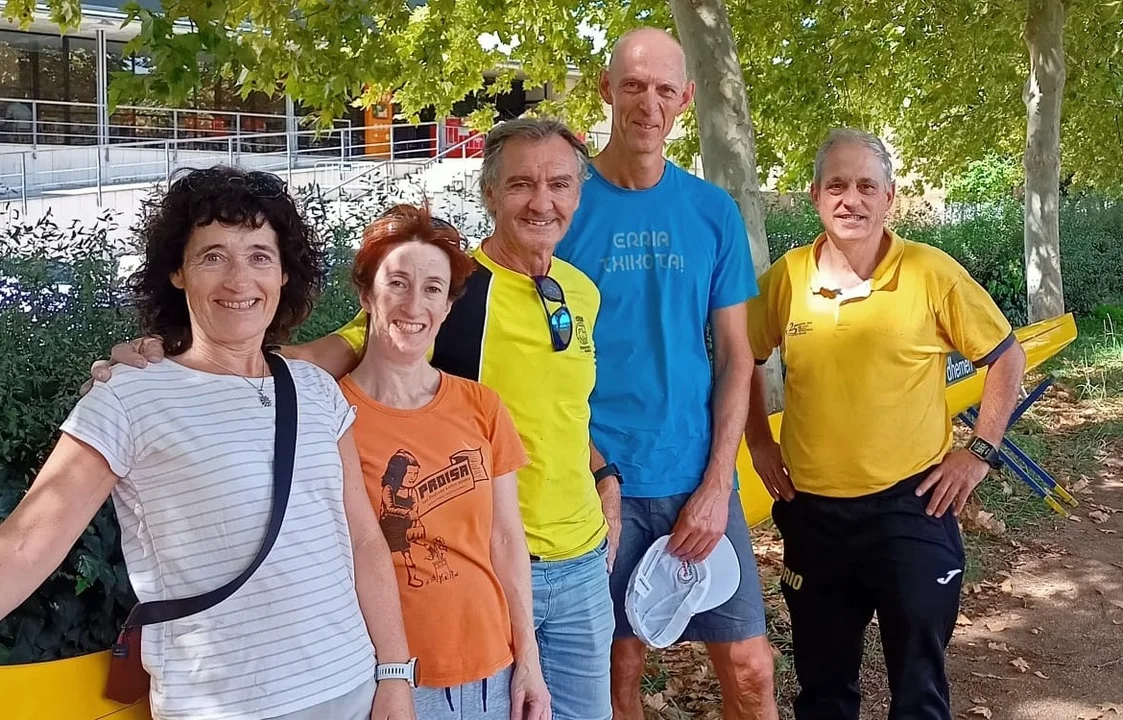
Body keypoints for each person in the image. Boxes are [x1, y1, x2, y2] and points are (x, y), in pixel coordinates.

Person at [96, 120, 618, 719]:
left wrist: (607, 477)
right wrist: (166, 359)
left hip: (580, 564)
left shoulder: (580, 291)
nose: (542, 202)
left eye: (559, 184)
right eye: (522, 184)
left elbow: (566, 410)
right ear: (490, 193)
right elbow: (290, 356)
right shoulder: (449, 290)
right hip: (486, 578)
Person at [0, 166, 415, 720]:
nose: (239, 280)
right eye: (213, 256)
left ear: (284, 274)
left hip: (352, 686)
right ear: (177, 271)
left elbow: (363, 540)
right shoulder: (129, 396)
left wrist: (394, 674)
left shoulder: (315, 389)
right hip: (224, 707)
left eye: (260, 256)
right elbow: (24, 547)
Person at [744, 129, 1027, 720]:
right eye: (836, 186)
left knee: (919, 689)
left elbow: (1006, 356)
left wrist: (979, 451)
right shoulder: (787, 278)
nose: (851, 199)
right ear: (816, 196)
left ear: (889, 197)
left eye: (866, 186)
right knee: (823, 691)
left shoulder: (930, 272)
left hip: (912, 506)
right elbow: (741, 356)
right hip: (814, 514)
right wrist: (759, 443)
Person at [553, 28, 778, 720]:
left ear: (685, 98)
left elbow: (736, 354)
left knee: (751, 670)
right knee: (618, 671)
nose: (647, 104)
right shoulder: (562, 207)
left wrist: (717, 483)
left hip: (696, 475)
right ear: (606, 89)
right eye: (632, 86)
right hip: (598, 482)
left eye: (663, 90)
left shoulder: (711, 211)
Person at [340, 203, 550, 718]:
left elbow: (507, 541)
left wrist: (529, 659)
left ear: (449, 306)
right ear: (367, 295)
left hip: (492, 671)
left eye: (433, 288)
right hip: (389, 681)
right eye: (397, 283)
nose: (414, 304)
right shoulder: (330, 414)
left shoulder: (482, 406)